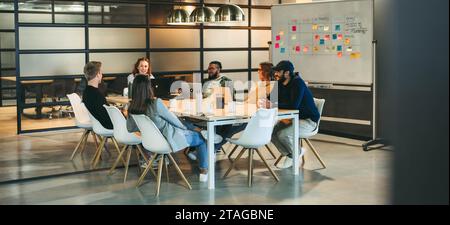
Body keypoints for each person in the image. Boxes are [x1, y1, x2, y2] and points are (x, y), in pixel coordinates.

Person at [126, 75, 213, 182]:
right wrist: (185, 128)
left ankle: (198, 132)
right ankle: (204, 170)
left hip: (149, 143)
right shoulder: (156, 103)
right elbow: (174, 121)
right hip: (169, 140)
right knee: (202, 138)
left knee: (190, 127)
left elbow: (130, 128)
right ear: (148, 88)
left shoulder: (131, 107)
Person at [266, 60, 320, 169]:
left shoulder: (298, 83)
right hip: (293, 119)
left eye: (278, 72)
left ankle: (294, 154)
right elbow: (271, 99)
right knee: (270, 133)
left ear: (286, 73)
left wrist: (273, 104)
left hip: (308, 121)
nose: (276, 74)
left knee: (283, 134)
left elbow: (293, 105)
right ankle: (292, 154)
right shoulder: (280, 82)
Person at [82, 61, 113, 130]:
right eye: (101, 73)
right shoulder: (97, 95)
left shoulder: (86, 92)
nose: (102, 75)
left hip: (98, 125)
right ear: (98, 74)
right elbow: (107, 116)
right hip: (108, 125)